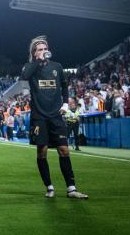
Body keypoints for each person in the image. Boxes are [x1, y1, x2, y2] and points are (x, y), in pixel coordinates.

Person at [20, 36, 88, 199]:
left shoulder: (57, 66)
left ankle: (71, 188)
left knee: (64, 150)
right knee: (42, 152)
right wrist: (37, 61)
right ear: (34, 52)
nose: (44, 52)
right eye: (39, 49)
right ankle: (49, 187)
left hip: (56, 115)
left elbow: (64, 86)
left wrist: (65, 103)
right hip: (39, 117)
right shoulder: (30, 67)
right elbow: (24, 77)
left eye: (45, 49)